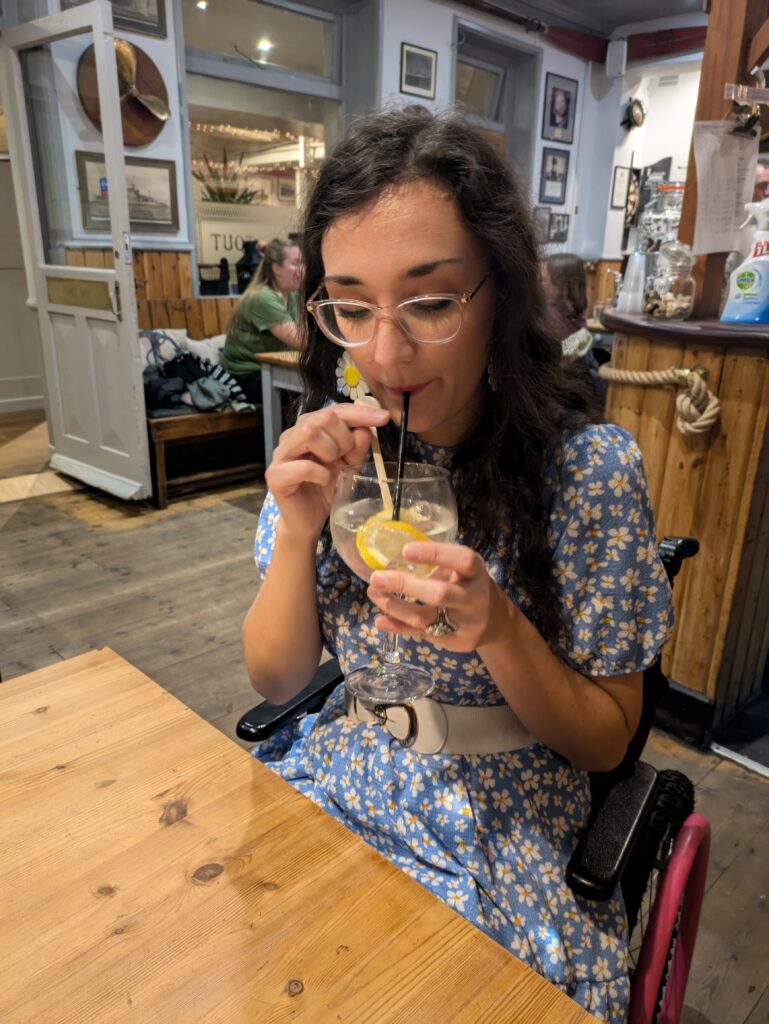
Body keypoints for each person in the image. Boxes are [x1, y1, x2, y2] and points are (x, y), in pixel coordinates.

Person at [242, 107, 672, 1022]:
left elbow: (604, 742)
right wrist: (294, 528)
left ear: (501, 293)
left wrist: (499, 629)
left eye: (430, 301)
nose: (385, 352)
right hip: (343, 769)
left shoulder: (588, 471)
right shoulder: (335, 453)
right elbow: (276, 675)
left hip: (505, 815)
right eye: (350, 306)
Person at [220, 237, 303, 404]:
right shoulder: (263, 297)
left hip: (272, 369)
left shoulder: (292, 294)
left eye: (303, 263)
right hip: (244, 375)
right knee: (309, 394)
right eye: (296, 264)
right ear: (276, 269)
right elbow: (301, 341)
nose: (302, 269)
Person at [541, 252, 607, 416]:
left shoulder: (548, 319)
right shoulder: (576, 318)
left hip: (554, 398)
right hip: (578, 396)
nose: (539, 286)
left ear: (559, 286)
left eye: (543, 280)